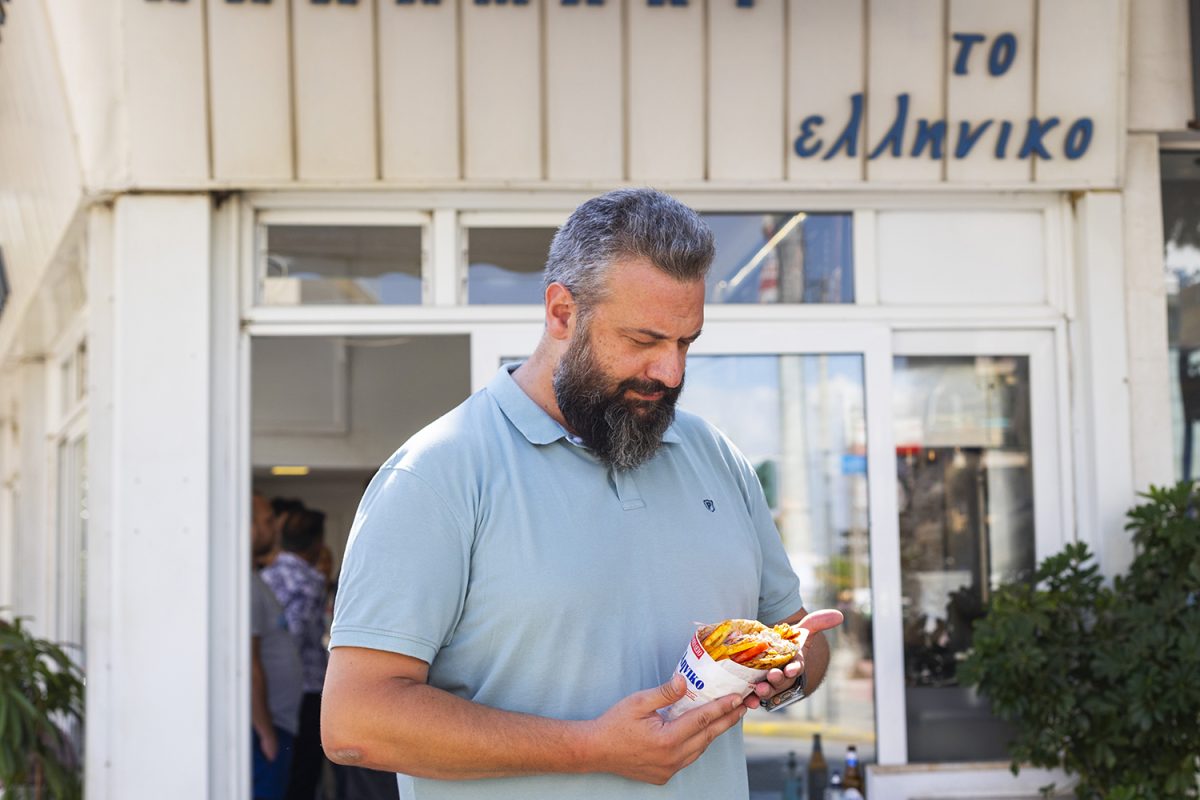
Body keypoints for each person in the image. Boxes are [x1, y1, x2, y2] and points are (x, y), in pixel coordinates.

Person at [321, 188, 844, 799]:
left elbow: (801, 639)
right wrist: (592, 748)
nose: (670, 374)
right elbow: (355, 722)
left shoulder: (716, 458)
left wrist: (784, 671)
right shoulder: (437, 474)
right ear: (562, 313)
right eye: (644, 341)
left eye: (685, 343)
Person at [262, 508, 333, 800]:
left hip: (271, 686)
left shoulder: (266, 575)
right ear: (317, 542)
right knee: (304, 774)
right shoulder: (308, 581)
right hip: (306, 687)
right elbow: (295, 636)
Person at [251, 493, 305, 800]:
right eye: (268, 521)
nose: (275, 529)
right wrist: (265, 731)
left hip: (277, 723)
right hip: (265, 729)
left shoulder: (255, 579)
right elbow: (248, 663)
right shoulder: (243, 585)